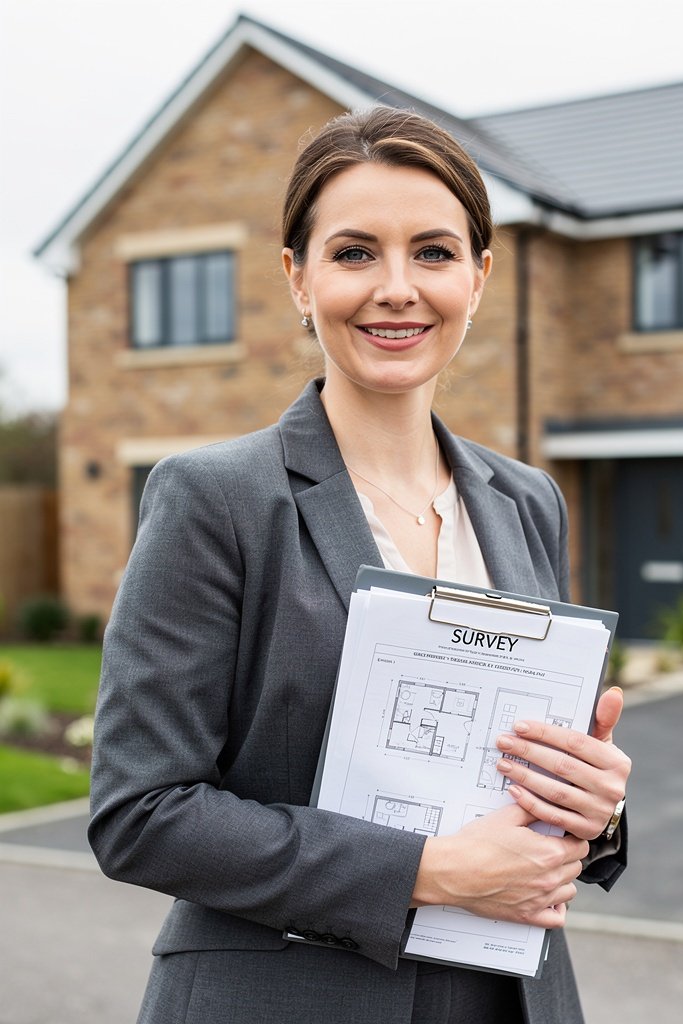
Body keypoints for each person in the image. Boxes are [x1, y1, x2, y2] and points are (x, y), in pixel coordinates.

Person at [89, 106, 631, 1024]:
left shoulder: (528, 500)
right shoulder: (214, 499)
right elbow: (140, 812)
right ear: (298, 279)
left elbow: (536, 771)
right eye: (354, 253)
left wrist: (595, 804)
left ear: (478, 277)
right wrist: (427, 871)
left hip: (510, 998)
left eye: (433, 252)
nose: (396, 288)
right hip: (282, 1000)